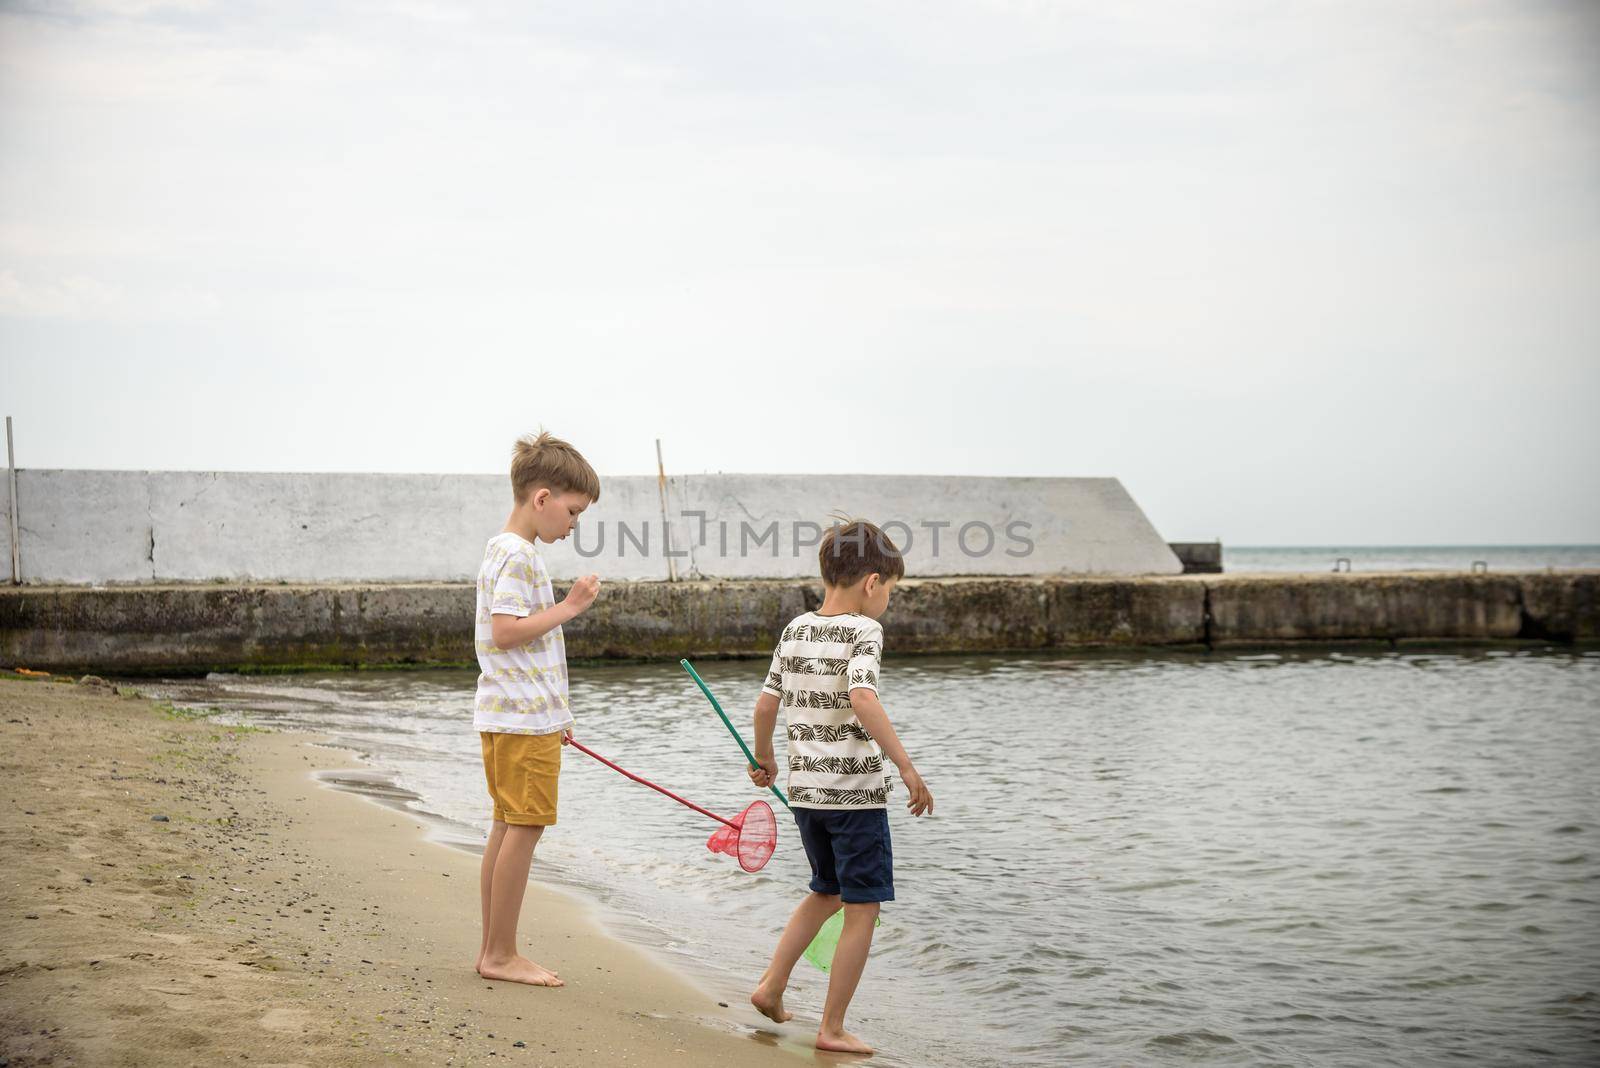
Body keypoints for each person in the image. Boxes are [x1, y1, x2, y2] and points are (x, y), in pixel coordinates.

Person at [746, 519, 934, 1055]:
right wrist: (906, 766)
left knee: (824, 890)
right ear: (872, 583)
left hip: (807, 794)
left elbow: (765, 705)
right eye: (890, 592)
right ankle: (831, 1027)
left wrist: (765, 759)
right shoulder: (864, 631)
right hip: (855, 796)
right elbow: (863, 698)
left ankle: (771, 986)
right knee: (862, 906)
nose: (887, 604)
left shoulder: (795, 630)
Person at [473, 430, 601, 988]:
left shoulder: (499, 549)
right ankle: (501, 953)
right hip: (523, 721)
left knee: (506, 826)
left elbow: (510, 642)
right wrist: (571, 606)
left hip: (509, 715)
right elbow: (506, 632)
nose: (573, 525)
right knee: (522, 828)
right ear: (541, 498)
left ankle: (492, 949)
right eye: (572, 511)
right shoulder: (521, 556)